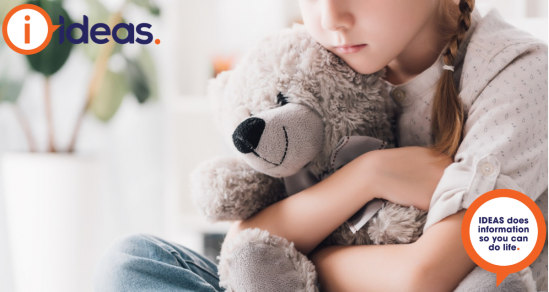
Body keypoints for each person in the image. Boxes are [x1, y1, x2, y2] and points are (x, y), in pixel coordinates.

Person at [93, 0, 548, 291]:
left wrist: (294, 261)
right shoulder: (319, 58)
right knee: (134, 262)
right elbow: (244, 246)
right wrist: (369, 175)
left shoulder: (517, 73)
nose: (331, 18)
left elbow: (424, 277)